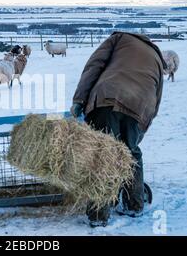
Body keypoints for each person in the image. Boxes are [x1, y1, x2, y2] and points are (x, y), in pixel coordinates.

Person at [71, 31, 166, 228]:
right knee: (130, 152)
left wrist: (79, 100)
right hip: (141, 107)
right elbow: (157, 98)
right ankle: (134, 204)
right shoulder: (157, 57)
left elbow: (94, 66)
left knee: (103, 154)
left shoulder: (119, 38)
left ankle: (99, 214)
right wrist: (139, 131)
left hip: (109, 97)